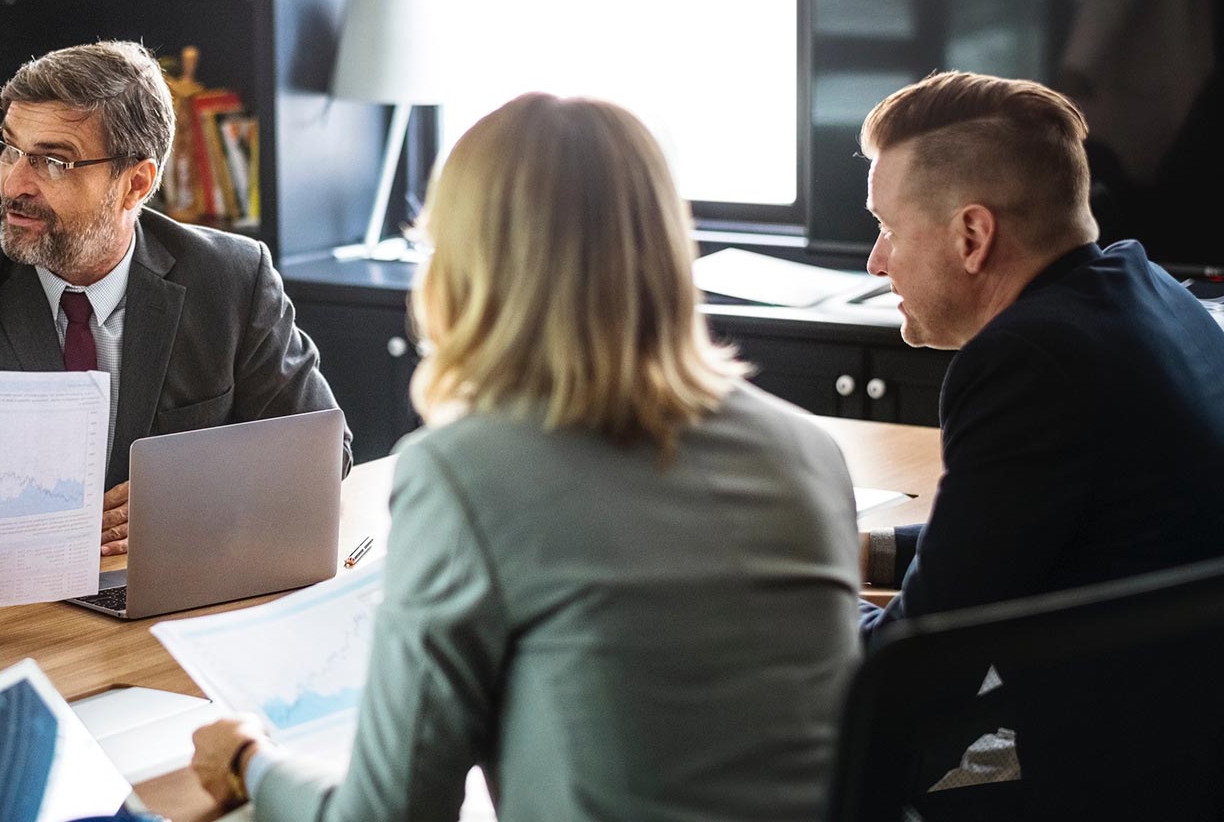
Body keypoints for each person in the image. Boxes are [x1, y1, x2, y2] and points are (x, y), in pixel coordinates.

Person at [188, 93, 861, 821]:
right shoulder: (808, 449)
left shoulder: (465, 473)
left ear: (464, 265)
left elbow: (386, 815)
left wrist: (252, 764)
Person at [0, 42, 350, 639]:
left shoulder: (230, 279)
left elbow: (321, 449)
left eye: (53, 161)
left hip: (172, 612)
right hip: (0, 619)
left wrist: (181, 498)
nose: (17, 183)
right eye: (9, 148)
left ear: (135, 182)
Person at [857, 70, 1224, 816]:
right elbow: (1031, 531)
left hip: (1101, 770)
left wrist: (788, 613)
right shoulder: (1150, 293)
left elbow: (925, 661)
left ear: (972, 234)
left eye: (889, 229)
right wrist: (868, 551)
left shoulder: (1029, 360)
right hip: (1184, 731)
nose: (876, 261)